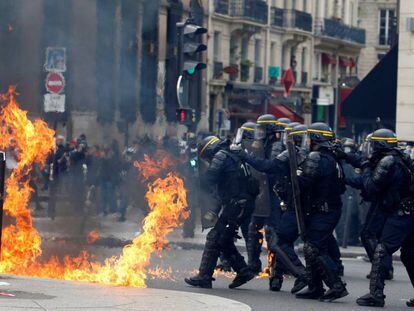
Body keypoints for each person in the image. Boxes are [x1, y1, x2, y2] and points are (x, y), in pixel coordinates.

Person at [350, 129, 414, 307]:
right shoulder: (401, 158)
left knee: (381, 250)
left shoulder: (387, 161)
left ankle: (376, 294)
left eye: (373, 144)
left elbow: (371, 187)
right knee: (409, 255)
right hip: (409, 213)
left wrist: (367, 169)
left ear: (380, 145)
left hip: (400, 215)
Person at [184, 136, 256, 289]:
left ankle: (204, 276)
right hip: (241, 204)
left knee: (214, 237)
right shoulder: (232, 154)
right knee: (223, 239)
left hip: (237, 205)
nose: (208, 161)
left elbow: (209, 180)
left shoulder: (221, 156)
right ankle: (243, 270)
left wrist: (195, 171)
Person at [245, 114, 291, 291]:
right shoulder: (262, 144)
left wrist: (247, 157)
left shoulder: (277, 146)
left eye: (262, 129)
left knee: (272, 236)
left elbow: (268, 166)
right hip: (262, 194)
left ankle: (275, 275)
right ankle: (253, 265)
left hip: (274, 195)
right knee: (253, 229)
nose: (259, 132)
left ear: (270, 131)